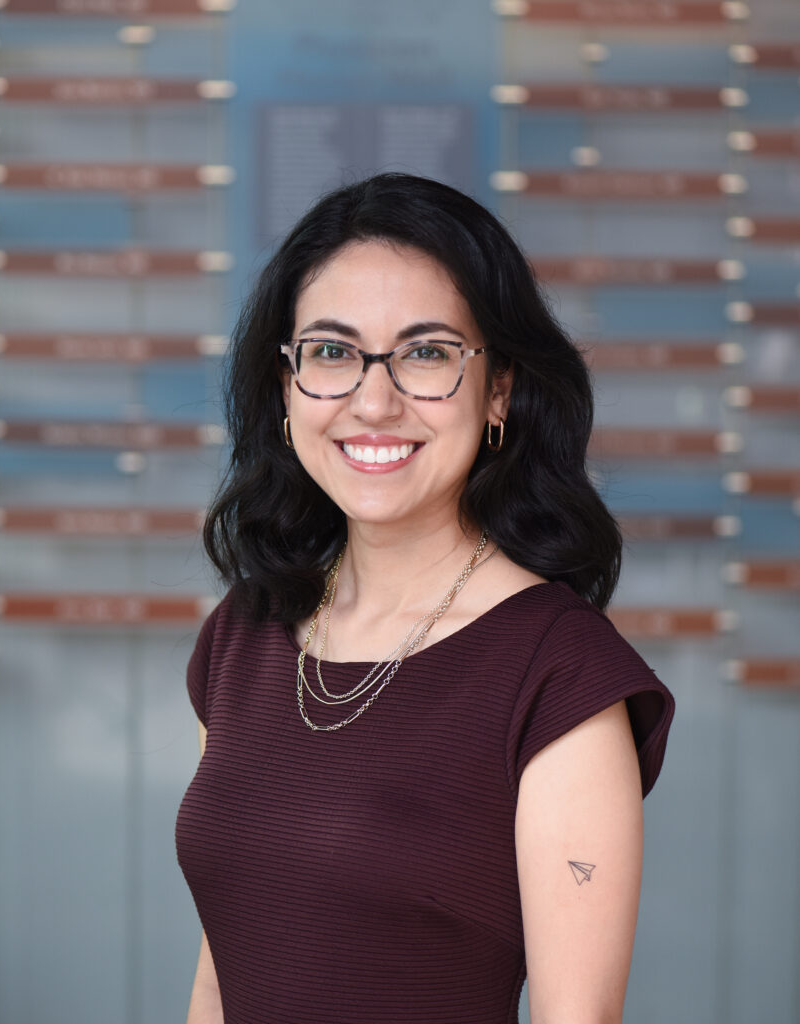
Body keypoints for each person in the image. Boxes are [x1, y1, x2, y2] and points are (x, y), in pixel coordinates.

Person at [175, 172, 675, 1024]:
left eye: (427, 353)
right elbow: (219, 981)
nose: (374, 402)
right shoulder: (243, 633)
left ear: (500, 392)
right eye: (332, 353)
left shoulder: (560, 678)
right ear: (286, 387)